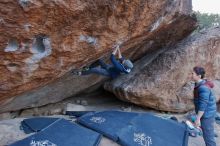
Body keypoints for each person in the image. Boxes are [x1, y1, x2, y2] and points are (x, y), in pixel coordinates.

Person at [191, 66, 217, 146]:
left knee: (208, 137)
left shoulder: (203, 88)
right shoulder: (199, 84)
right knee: (207, 135)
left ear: (199, 76)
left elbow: (203, 105)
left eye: (193, 74)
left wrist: (198, 119)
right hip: (207, 113)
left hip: (207, 115)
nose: (191, 75)